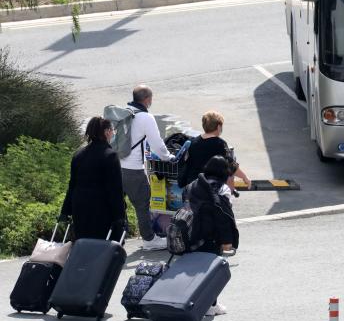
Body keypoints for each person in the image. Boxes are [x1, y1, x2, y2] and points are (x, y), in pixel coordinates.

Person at [120, 85, 174, 251]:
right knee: (142, 204)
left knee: (116, 204)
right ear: (147, 100)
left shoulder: (122, 112)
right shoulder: (145, 117)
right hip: (133, 169)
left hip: (115, 166)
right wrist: (168, 157)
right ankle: (149, 240)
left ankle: (116, 236)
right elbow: (157, 144)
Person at [187, 155, 239, 315]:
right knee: (211, 272)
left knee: (195, 271)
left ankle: (193, 300)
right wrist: (227, 241)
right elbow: (223, 217)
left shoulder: (194, 185)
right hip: (211, 236)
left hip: (193, 233)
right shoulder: (221, 190)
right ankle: (210, 305)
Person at [59, 117, 127, 240]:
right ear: (106, 132)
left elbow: (72, 185)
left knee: (84, 245)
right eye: (112, 130)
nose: (113, 133)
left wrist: (65, 211)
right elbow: (115, 190)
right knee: (103, 249)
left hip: (79, 208)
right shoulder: (110, 155)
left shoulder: (78, 154)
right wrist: (120, 217)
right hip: (101, 209)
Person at [179, 111, 252, 191]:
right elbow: (230, 165)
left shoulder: (194, 142)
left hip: (192, 187)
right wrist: (245, 177)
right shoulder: (219, 144)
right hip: (210, 189)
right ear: (219, 127)